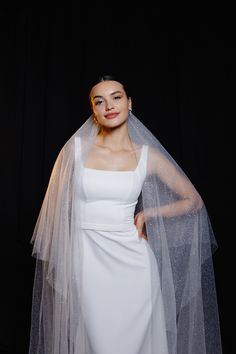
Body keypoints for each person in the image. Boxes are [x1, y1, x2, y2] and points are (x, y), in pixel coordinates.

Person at [28, 75, 222, 354]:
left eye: (116, 97)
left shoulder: (147, 156)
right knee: (101, 342)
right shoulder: (75, 151)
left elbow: (193, 201)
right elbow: (57, 212)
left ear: (129, 103)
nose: (109, 105)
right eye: (99, 101)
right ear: (93, 111)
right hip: (88, 260)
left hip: (135, 265)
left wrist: (149, 214)